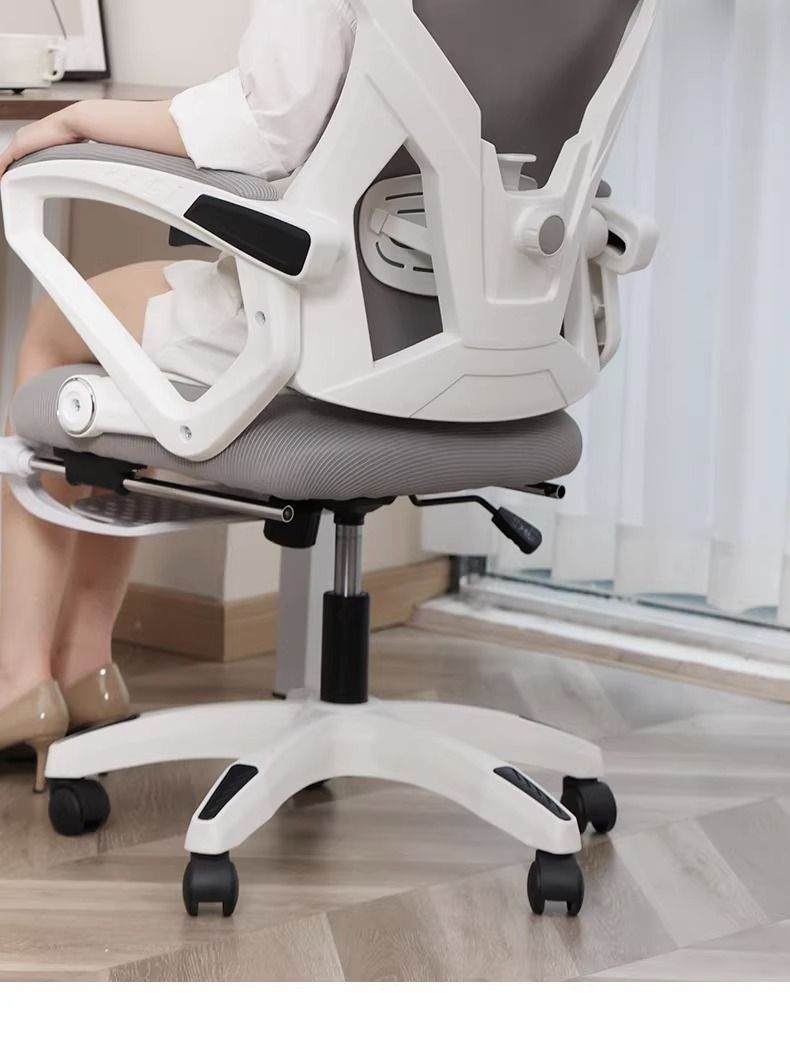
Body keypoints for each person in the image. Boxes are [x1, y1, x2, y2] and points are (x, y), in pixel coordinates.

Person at [0, 0, 357, 790]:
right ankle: (86, 665)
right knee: (126, 353)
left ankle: (20, 678)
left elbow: (267, 125)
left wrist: (82, 117)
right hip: (472, 340)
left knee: (61, 331)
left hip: (326, 321)